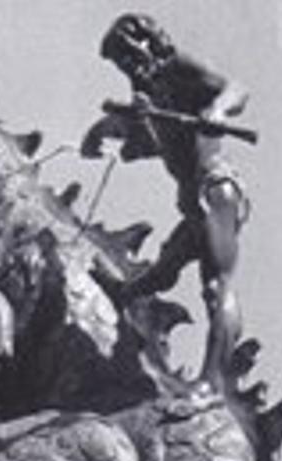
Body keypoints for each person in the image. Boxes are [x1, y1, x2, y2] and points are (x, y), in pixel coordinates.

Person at [81, 13, 254, 381]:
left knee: (215, 284)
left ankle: (216, 381)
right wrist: (106, 133)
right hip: (192, 204)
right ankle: (121, 293)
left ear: (149, 41)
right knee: (159, 275)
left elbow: (235, 88)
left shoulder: (177, 67)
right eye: (121, 63)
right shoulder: (148, 96)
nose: (129, 65)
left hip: (216, 188)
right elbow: (150, 144)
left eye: (130, 53)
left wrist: (218, 111)